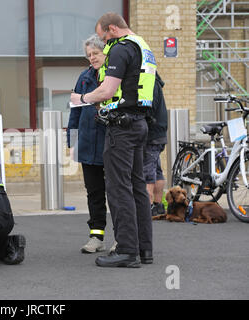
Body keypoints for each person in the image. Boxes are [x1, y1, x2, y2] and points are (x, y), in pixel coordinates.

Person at [71, 12, 156, 268]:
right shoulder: (143, 46)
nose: (103, 43)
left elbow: (108, 90)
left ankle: (127, 251)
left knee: (119, 189)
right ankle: (144, 249)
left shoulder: (120, 49)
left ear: (112, 29)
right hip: (140, 122)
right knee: (137, 187)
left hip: (122, 126)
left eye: (103, 36)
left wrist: (82, 99)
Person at [67, 34, 108, 253]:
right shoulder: (84, 78)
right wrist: (73, 142)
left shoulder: (114, 76)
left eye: (95, 53)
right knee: (94, 192)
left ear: (105, 52)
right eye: (89, 54)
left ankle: (123, 237)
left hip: (111, 145)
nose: (92, 58)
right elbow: (74, 113)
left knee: (117, 193)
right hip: (88, 145)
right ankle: (96, 236)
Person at [144, 72, 168, 216]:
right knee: (156, 170)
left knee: (148, 173)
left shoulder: (149, 82)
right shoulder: (156, 81)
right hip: (159, 133)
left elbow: (149, 109)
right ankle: (158, 206)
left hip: (151, 134)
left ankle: (148, 207)